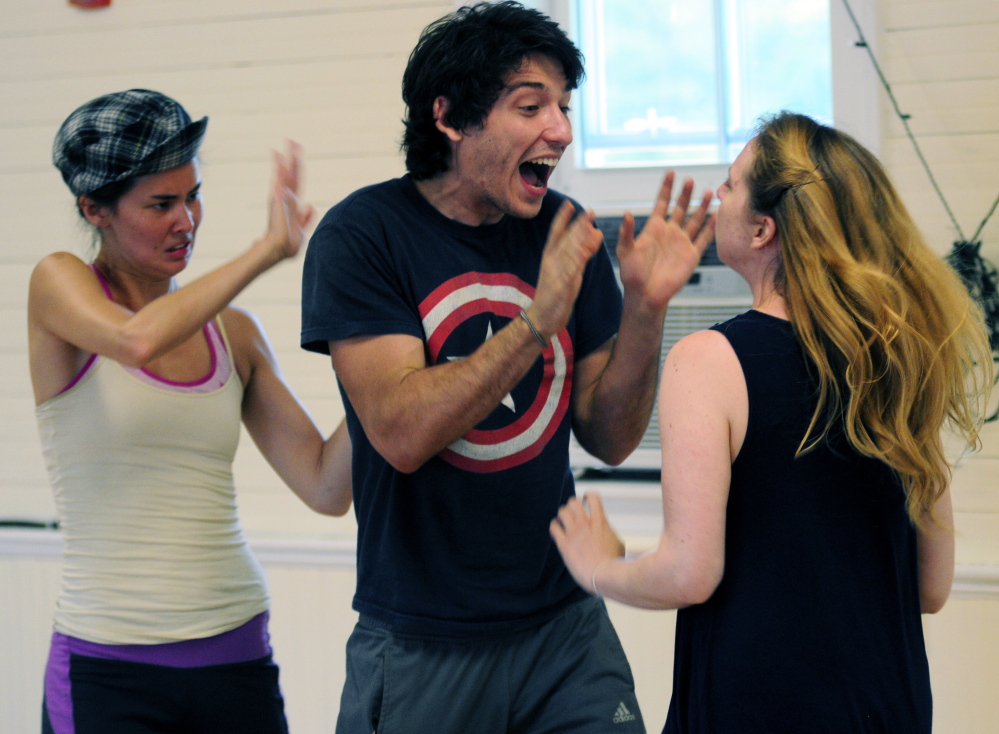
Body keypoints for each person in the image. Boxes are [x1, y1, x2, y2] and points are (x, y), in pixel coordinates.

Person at [300, 2, 715, 732]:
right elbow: (399, 430)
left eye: (562, 106)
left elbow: (609, 438)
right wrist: (534, 322)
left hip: (565, 626)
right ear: (451, 118)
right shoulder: (362, 236)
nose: (558, 129)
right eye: (531, 105)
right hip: (423, 639)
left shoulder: (564, 228)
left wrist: (646, 312)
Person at [550, 111, 993, 733]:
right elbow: (931, 588)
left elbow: (689, 572)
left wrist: (599, 567)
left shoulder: (709, 360)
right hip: (890, 708)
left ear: (762, 229)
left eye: (730, 184)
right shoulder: (903, 359)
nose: (717, 197)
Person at [31, 89, 352, 734]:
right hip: (107, 670)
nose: (187, 220)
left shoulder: (235, 333)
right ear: (94, 209)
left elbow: (325, 484)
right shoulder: (59, 284)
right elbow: (138, 339)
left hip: (235, 654)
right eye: (161, 204)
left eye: (192, 196)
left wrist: (387, 373)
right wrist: (267, 249)